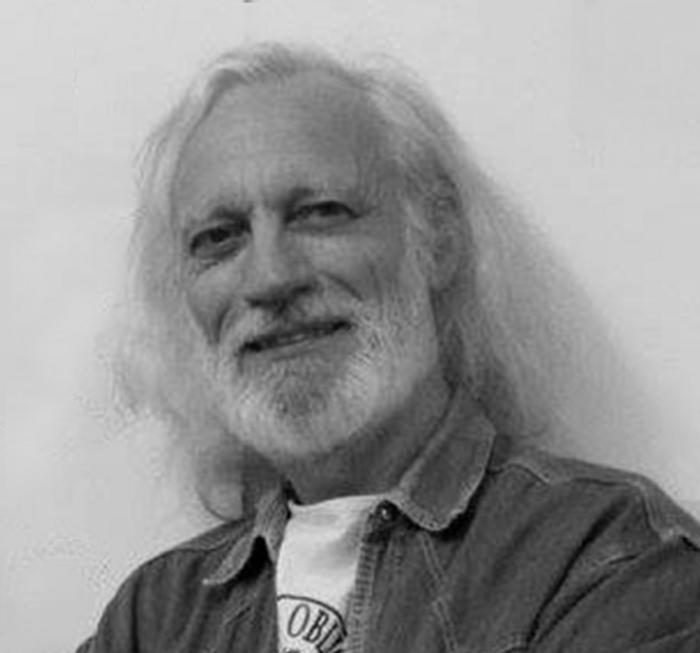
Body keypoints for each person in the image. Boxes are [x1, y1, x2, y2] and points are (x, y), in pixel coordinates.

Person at [78, 43, 700, 652]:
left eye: (320, 212)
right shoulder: (155, 615)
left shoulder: (609, 559)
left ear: (438, 240)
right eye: (219, 238)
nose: (269, 277)